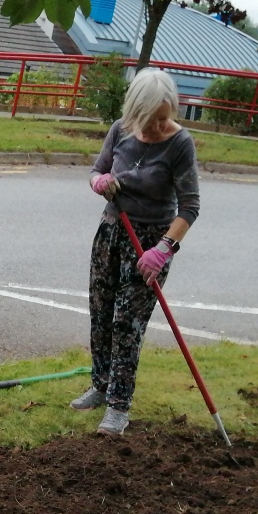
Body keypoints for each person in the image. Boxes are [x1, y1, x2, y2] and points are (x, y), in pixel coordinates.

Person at [70, 68, 200, 436]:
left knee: (127, 324)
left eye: (166, 116)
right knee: (101, 311)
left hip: (151, 244)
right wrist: (100, 182)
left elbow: (189, 207)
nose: (161, 125)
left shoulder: (179, 143)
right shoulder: (120, 130)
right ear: (136, 112)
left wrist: (164, 248)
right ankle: (100, 385)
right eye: (153, 118)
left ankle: (118, 406)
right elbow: (97, 171)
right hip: (112, 232)